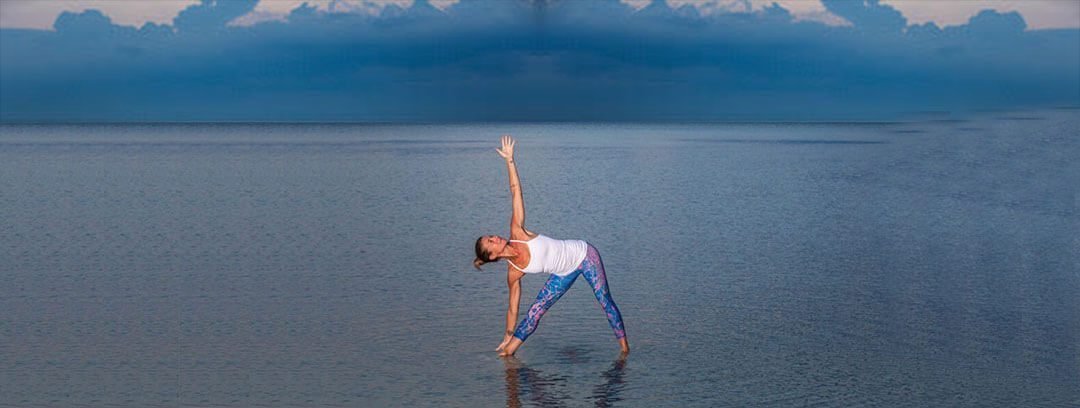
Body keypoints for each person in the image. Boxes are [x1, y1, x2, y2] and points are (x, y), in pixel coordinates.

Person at [473, 135, 629, 357]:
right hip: (563, 272)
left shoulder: (517, 232)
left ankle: (625, 352)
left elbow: (515, 190)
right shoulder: (514, 273)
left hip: (584, 255)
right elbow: (512, 308)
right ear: (492, 256)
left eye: (491, 236)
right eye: (491, 242)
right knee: (535, 312)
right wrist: (508, 333)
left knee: (604, 301)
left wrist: (509, 160)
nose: (495, 237)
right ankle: (508, 355)